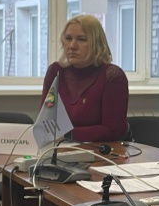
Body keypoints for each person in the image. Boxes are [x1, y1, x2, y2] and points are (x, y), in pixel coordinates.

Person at [41, 14, 129, 142]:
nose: (72, 46)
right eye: (68, 38)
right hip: (62, 147)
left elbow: (112, 130)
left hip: (104, 149)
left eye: (82, 39)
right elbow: (45, 120)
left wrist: (67, 135)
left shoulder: (112, 76)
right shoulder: (55, 71)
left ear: (97, 44)